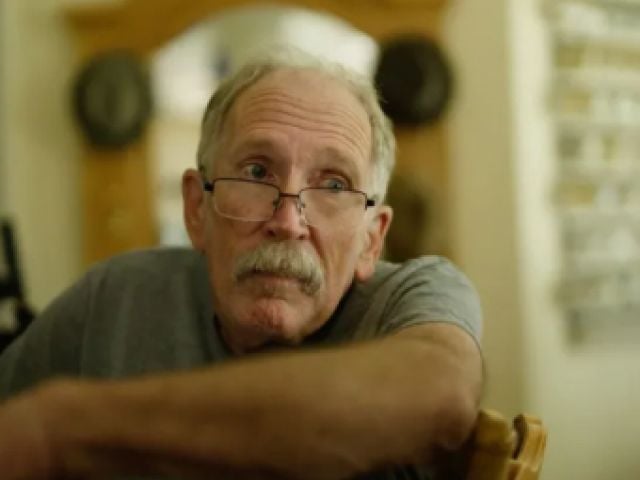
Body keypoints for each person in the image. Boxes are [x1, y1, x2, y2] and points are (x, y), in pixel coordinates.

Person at [0, 49, 483, 479]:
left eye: (334, 185)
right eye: (256, 172)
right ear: (196, 209)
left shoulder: (414, 296)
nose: (288, 221)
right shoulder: (117, 297)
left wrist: (63, 426)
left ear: (371, 240)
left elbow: (440, 395)